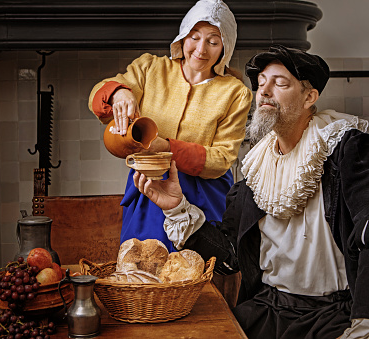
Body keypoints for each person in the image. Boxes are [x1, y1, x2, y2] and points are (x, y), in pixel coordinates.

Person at [133, 45, 369, 339]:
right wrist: (177, 207)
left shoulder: (346, 149)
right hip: (268, 309)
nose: (265, 92)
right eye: (261, 84)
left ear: (310, 97)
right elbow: (230, 257)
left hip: (335, 316)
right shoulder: (258, 165)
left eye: (280, 83)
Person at [88, 0, 253, 252]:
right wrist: (119, 93)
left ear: (225, 48)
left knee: (201, 277)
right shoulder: (150, 68)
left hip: (204, 197)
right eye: (194, 37)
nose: (201, 49)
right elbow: (98, 98)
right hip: (148, 187)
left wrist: (165, 147)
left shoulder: (236, 93)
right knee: (142, 268)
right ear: (183, 36)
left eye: (213, 41)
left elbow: (222, 159)